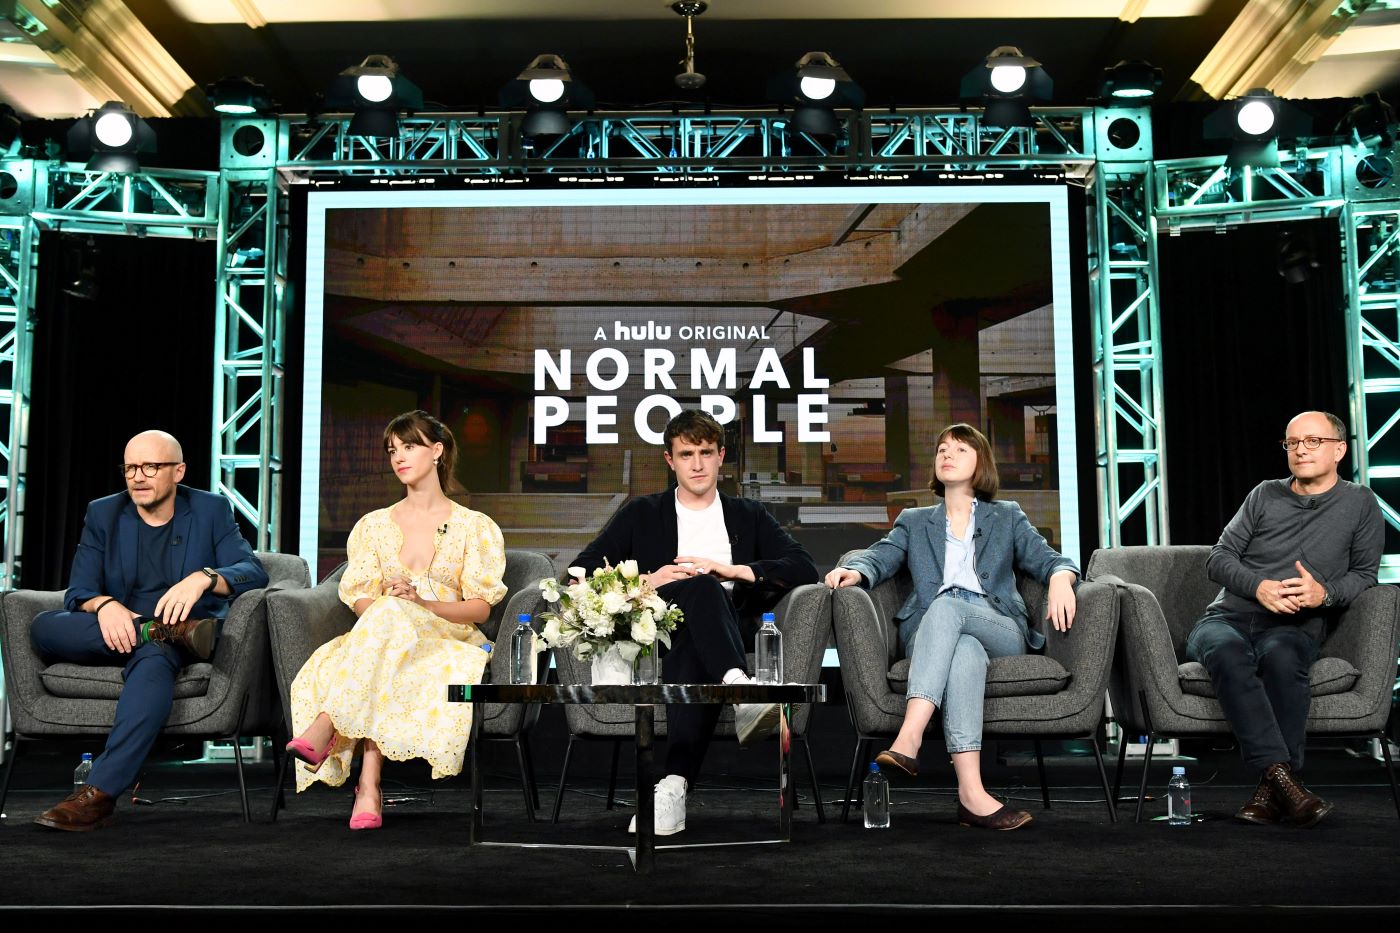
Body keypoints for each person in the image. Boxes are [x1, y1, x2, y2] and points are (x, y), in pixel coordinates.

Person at [571, 409, 818, 835]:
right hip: (659, 629)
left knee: (702, 605)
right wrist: (649, 580)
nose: (698, 464)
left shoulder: (748, 514)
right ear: (671, 460)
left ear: (722, 456)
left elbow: (803, 567)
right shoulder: (642, 513)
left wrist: (733, 570)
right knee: (696, 595)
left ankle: (672, 786)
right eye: (687, 454)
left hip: (726, 627)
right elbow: (581, 570)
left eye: (706, 452)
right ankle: (741, 687)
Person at [826, 423, 1077, 831]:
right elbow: (880, 556)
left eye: (960, 449)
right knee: (962, 651)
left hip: (998, 627)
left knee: (949, 606)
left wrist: (1062, 579)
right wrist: (855, 572)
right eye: (942, 448)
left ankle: (909, 738)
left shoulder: (1006, 516)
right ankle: (972, 795)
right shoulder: (915, 520)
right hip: (935, 634)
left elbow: (1050, 559)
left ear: (980, 463)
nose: (947, 454)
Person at [30, 430, 268, 831]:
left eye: (151, 467)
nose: (138, 476)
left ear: (178, 471)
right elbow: (80, 591)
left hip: (175, 639)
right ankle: (153, 631)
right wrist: (104, 606)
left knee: (155, 659)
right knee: (43, 627)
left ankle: (99, 793)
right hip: (121, 631)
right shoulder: (104, 513)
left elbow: (252, 571)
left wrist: (204, 578)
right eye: (130, 467)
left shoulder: (210, 510)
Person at [286, 410, 506, 830]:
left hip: (450, 638)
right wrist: (396, 610)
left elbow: (480, 607)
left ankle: (338, 742)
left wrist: (421, 605)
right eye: (392, 450)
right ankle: (367, 785)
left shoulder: (475, 527)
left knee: (390, 622)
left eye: (409, 446)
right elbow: (361, 599)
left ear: (437, 451)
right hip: (383, 635)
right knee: (386, 625)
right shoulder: (372, 526)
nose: (398, 457)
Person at [1186, 410, 1382, 827]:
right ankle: (1284, 781)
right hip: (1228, 617)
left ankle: (1268, 789)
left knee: (1281, 658)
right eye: (1292, 443)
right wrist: (1259, 587)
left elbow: (1365, 576)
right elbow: (1218, 558)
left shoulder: (1360, 502)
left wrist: (1324, 594)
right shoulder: (1264, 494)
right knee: (1225, 652)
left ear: (1339, 450)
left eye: (1312, 441)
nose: (1300, 450)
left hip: (1296, 625)